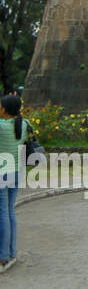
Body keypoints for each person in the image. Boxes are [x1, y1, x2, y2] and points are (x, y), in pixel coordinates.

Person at [0, 93, 31, 273]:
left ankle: (3, 257)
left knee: (3, 213)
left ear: (4, 109)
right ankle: (11, 253)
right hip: (17, 172)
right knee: (10, 211)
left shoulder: (2, 126)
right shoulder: (24, 124)